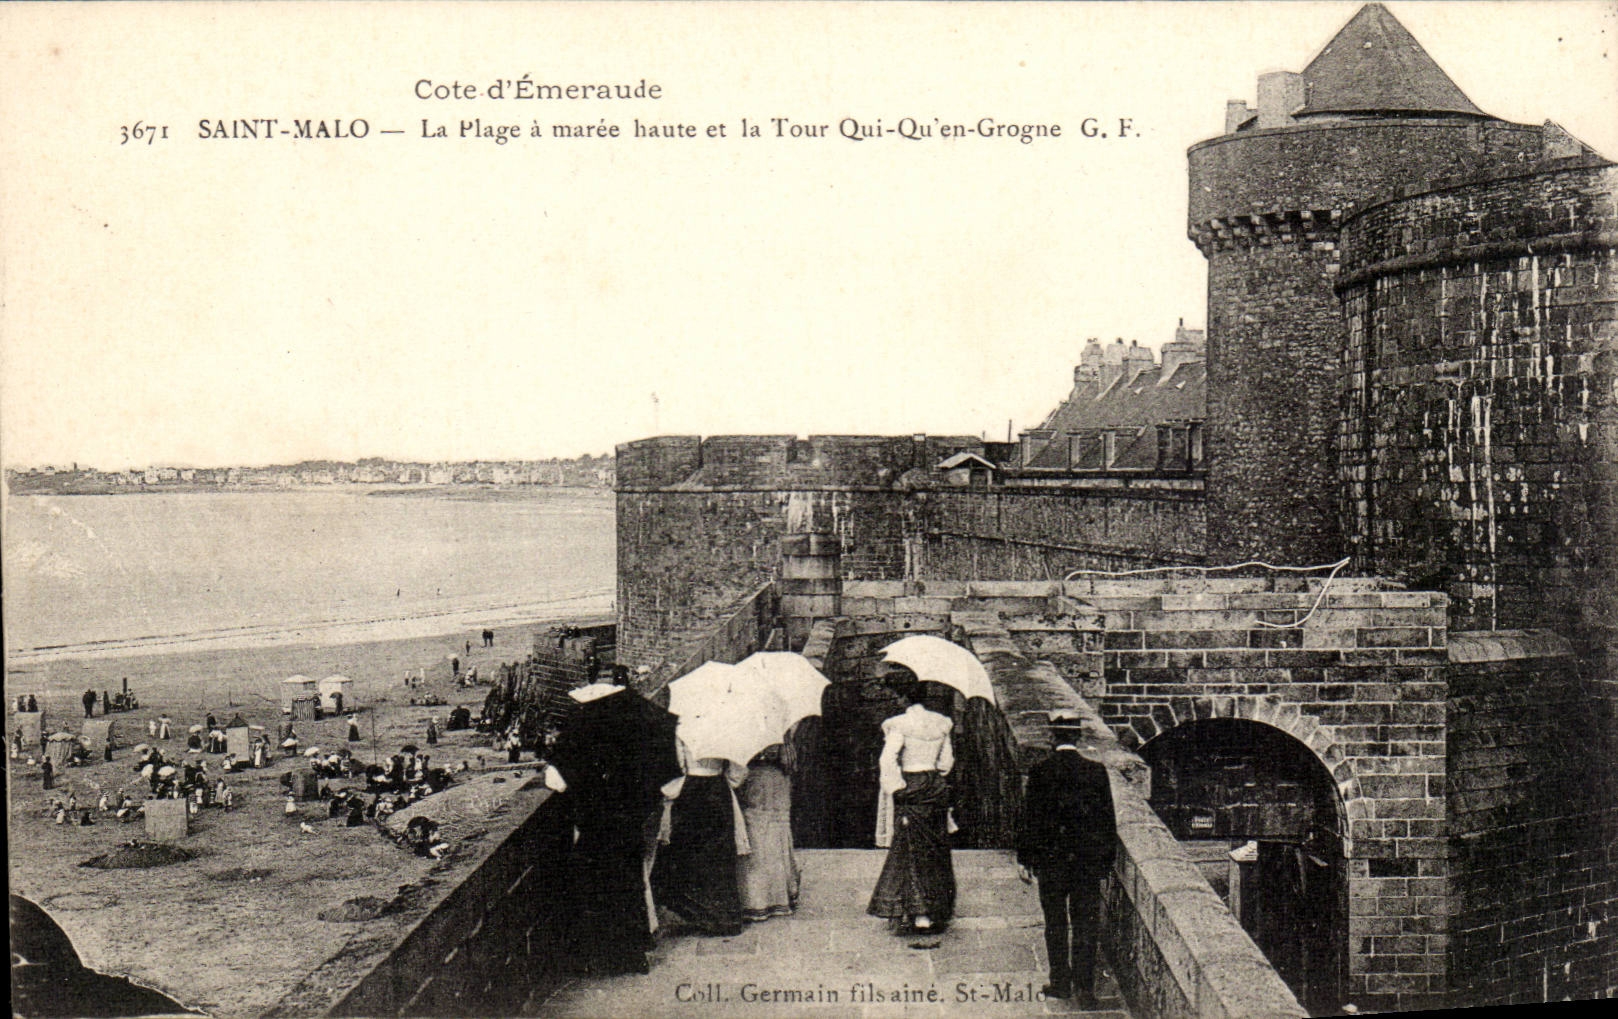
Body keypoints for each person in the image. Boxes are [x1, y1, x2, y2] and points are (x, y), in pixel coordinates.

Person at [544, 676, 682, 973]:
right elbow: (667, 781)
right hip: (628, 826)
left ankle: (596, 957)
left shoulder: (578, 736)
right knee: (628, 886)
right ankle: (631, 955)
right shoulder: (638, 732)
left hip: (593, 828)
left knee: (591, 888)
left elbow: (556, 782)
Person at [1015, 714, 1117, 1007]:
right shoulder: (1095, 771)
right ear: (1079, 738)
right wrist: (1106, 860)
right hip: (1086, 863)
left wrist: (1025, 858)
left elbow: (1029, 820)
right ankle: (1086, 989)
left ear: (1052, 738)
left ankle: (1060, 982)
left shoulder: (1040, 772)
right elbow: (1106, 820)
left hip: (1051, 862)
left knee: (1055, 922)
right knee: (1086, 923)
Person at [867, 677, 957, 934]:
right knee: (935, 846)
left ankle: (918, 912)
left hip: (912, 784)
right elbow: (946, 761)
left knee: (910, 847)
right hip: (935, 786)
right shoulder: (941, 723)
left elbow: (887, 760)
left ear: (904, 699)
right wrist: (935, 776)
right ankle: (934, 907)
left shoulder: (900, 725)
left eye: (898, 697)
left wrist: (897, 787)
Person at [736, 743, 800, 922]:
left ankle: (758, 900)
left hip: (757, 779)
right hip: (778, 778)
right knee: (775, 837)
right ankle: (781, 896)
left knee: (758, 837)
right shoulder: (780, 728)